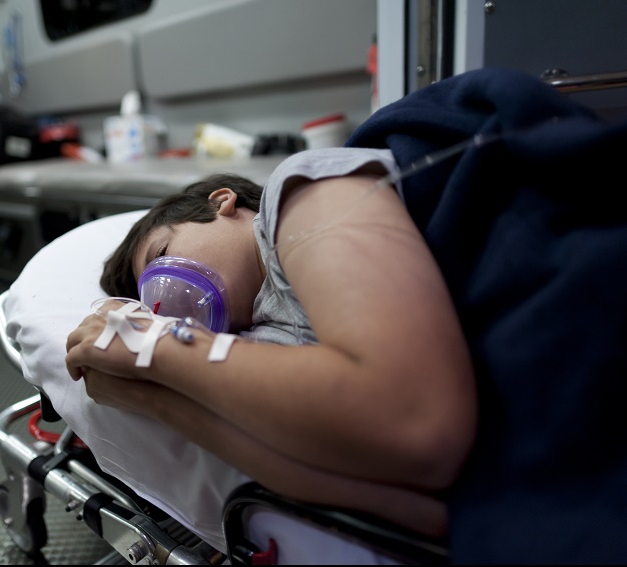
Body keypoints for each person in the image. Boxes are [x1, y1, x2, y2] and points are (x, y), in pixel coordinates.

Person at [64, 67, 627, 564]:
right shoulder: (261, 348)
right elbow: (408, 498)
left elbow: (416, 421)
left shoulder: (302, 195)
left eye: (162, 257)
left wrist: (154, 347)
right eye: (149, 297)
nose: (163, 300)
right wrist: (150, 391)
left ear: (222, 203)